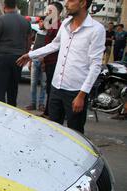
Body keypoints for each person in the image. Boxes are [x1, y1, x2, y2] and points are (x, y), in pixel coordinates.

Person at [17, 0, 105, 134]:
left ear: (82, 3)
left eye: (71, 0)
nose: (66, 4)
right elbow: (54, 45)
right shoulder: (65, 24)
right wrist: (30, 54)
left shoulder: (96, 29)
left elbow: (96, 65)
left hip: (76, 91)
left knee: (75, 133)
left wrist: (82, 95)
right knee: (53, 131)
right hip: (56, 87)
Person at [0, 0, 31, 106]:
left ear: (4, 5)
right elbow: (29, 40)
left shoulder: (1, 20)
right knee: (13, 90)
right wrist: (26, 54)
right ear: (16, 5)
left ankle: (1, 113)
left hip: (2, 58)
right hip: (18, 58)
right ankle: (12, 112)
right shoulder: (25, 21)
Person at [42, 1, 63, 118]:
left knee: (51, 88)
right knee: (48, 87)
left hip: (54, 61)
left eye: (50, 11)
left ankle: (50, 113)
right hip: (48, 61)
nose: (48, 13)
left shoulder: (60, 26)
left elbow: (53, 45)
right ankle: (47, 112)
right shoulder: (52, 24)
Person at [26, 16, 47, 111]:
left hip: (44, 62)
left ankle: (41, 104)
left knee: (43, 84)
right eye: (39, 22)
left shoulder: (49, 34)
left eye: (41, 21)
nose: (40, 24)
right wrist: (30, 61)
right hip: (35, 61)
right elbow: (35, 48)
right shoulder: (38, 33)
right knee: (33, 83)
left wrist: (44, 61)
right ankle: (33, 103)